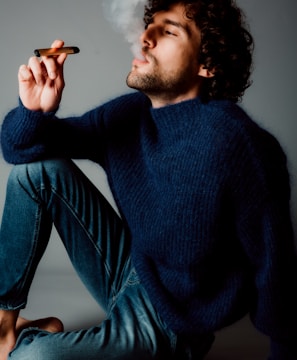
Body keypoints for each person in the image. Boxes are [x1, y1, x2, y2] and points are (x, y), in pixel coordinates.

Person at [0, 0, 296, 359]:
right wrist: (34, 112)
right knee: (35, 174)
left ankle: (30, 343)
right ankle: (6, 327)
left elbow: (274, 266)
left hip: (170, 325)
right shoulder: (130, 115)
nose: (146, 38)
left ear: (208, 64)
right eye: (149, 26)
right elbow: (22, 150)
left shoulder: (235, 142)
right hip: (132, 270)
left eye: (169, 31)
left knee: (34, 358)